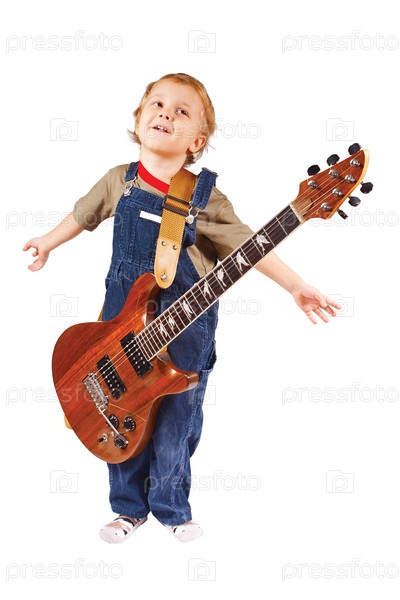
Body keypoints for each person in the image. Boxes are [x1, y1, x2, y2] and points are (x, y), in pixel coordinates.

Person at [23, 73, 340, 544]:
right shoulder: (119, 181)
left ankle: (172, 508)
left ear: (197, 141)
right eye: (156, 104)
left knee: (176, 421)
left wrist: (296, 286)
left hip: (185, 332)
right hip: (120, 331)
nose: (165, 113)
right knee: (119, 412)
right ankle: (127, 509)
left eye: (181, 111)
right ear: (138, 120)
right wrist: (48, 242)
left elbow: (250, 246)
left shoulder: (205, 198)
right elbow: (82, 215)